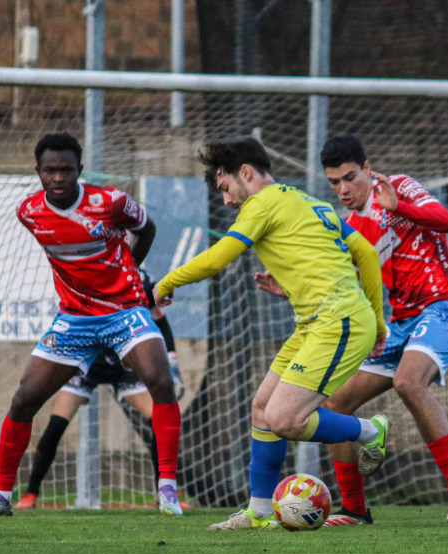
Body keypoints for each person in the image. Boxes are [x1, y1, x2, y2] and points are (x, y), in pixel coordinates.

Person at [155, 136, 389, 531]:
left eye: (226, 187)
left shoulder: (261, 203)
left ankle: (371, 430)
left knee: (284, 418)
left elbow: (217, 258)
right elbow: (364, 253)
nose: (227, 200)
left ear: (245, 173)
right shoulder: (308, 202)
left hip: (338, 321)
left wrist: (166, 282)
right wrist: (377, 320)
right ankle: (260, 511)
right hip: (320, 321)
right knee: (262, 409)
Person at [255, 133, 448, 526]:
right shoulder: (350, 229)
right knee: (335, 403)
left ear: (367, 170)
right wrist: (290, 289)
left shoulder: (399, 187)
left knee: (408, 382)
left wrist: (401, 208)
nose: (343, 189)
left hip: (447, 307)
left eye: (350, 178)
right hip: (401, 323)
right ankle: (355, 509)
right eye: (334, 183)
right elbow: (344, 287)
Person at [0, 133, 184, 517]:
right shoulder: (29, 212)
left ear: (79, 170)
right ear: (38, 172)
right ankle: (2, 495)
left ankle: (167, 489)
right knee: (24, 399)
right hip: (75, 319)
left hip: (123, 311)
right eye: (50, 170)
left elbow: (147, 228)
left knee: (161, 381)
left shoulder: (110, 202)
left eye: (66, 170)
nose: (58, 177)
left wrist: (129, 274)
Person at [17, 277, 185, 509]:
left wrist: (172, 363)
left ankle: (166, 493)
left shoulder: (141, 281)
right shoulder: (85, 275)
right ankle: (30, 493)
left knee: (158, 421)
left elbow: (160, 321)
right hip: (87, 362)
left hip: (123, 363)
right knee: (56, 425)